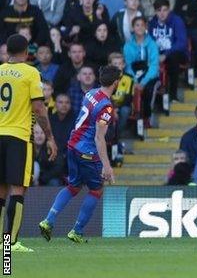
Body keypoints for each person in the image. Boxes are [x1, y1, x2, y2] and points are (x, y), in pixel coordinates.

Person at [39, 65, 120, 244]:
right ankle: (77, 231)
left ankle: (48, 220)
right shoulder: (106, 107)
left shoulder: (91, 93)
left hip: (73, 145)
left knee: (73, 186)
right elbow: (99, 138)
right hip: (87, 151)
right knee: (96, 189)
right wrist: (107, 167)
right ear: (116, 83)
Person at [0, 34, 58, 252]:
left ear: (7, 52)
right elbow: (39, 109)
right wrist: (50, 136)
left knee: (0, 191)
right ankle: (11, 243)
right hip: (18, 136)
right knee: (17, 189)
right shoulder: (30, 72)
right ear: (26, 53)